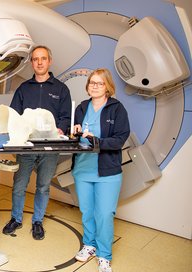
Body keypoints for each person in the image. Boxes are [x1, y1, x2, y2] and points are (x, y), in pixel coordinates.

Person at [2, 45, 72, 240]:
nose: (39, 62)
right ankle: (16, 218)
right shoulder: (24, 89)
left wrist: (61, 128)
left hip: (50, 147)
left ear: (49, 61)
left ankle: (37, 221)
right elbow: (14, 115)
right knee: (19, 185)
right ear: (32, 63)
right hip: (27, 146)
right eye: (35, 59)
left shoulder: (61, 89)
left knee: (43, 186)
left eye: (43, 58)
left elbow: (66, 117)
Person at [72, 68, 130, 272]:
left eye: (100, 83)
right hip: (83, 169)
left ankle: (104, 255)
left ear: (108, 87)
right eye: (92, 83)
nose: (95, 86)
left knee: (104, 214)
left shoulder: (117, 109)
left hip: (108, 171)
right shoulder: (80, 107)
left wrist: (95, 140)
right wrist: (75, 133)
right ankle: (89, 245)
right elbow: (74, 135)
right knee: (86, 211)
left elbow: (120, 139)